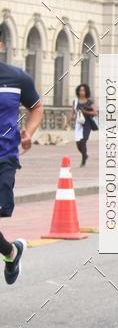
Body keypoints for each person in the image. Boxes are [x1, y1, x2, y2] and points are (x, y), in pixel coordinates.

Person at [0, 29, 44, 285]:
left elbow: (36, 106)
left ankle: (11, 251)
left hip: (4, 156)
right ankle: (11, 251)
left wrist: (29, 131)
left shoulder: (16, 78)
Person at [65, 83, 97, 166]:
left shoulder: (90, 102)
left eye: (83, 90)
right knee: (78, 144)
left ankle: (83, 160)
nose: (81, 92)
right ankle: (85, 155)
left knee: (83, 141)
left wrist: (85, 111)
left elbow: (95, 112)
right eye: (80, 90)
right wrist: (67, 123)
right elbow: (72, 113)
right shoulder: (75, 102)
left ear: (86, 92)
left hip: (87, 123)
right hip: (78, 123)